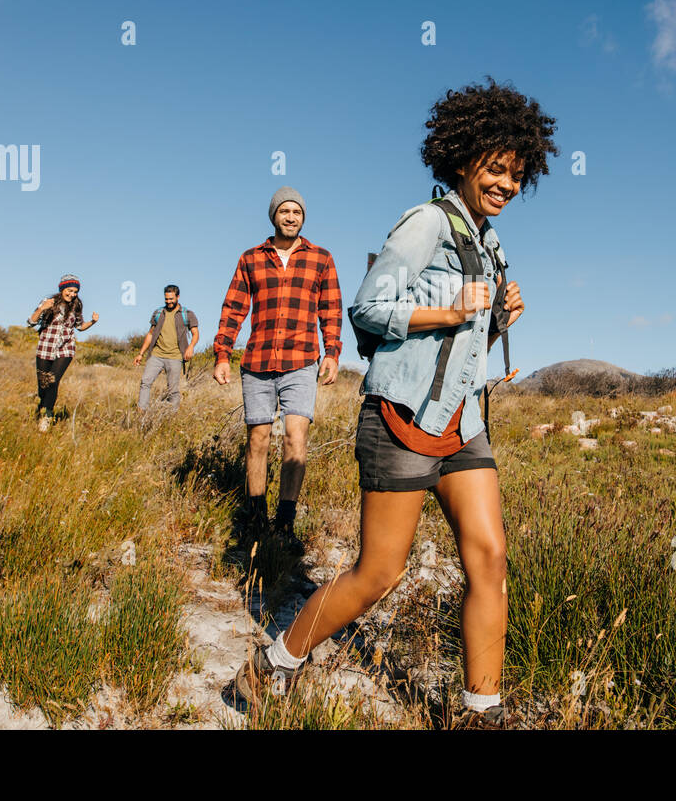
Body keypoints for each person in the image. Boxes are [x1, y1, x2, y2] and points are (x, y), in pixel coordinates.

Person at [234, 77, 559, 728]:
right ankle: (276, 663)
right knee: (378, 574)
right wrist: (450, 308)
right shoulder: (427, 223)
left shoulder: (489, 246)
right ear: (463, 161)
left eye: (517, 174)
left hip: (463, 423)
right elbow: (370, 309)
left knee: (490, 560)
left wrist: (497, 319)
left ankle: (480, 711)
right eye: (496, 169)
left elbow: (465, 344)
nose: (507, 183)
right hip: (401, 418)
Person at [213, 186, 343, 552]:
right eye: (284, 211)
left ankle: (284, 524)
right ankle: (256, 518)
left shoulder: (321, 258)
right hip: (257, 362)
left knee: (295, 439)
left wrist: (331, 352)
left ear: (303, 218)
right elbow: (233, 308)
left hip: (302, 361)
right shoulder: (251, 258)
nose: (290, 217)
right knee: (258, 440)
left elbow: (330, 309)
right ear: (273, 216)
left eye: (296, 212)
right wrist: (222, 353)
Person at [27, 275, 99, 432]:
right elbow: (31, 322)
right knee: (43, 385)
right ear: (62, 289)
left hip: (66, 348)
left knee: (53, 380)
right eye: (70, 290)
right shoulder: (49, 302)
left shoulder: (76, 306)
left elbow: (79, 327)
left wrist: (93, 322)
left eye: (75, 291)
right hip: (46, 347)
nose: (72, 294)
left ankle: (47, 415)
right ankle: (42, 405)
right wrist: (42, 309)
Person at [133, 285, 199, 413]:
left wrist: (191, 347)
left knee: (172, 390)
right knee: (145, 382)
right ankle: (141, 412)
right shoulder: (159, 313)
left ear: (178, 297)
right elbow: (150, 334)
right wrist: (141, 354)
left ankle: (170, 416)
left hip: (175, 357)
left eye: (171, 299)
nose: (168, 302)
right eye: (166, 299)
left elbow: (196, 334)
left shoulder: (187, 314)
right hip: (156, 355)